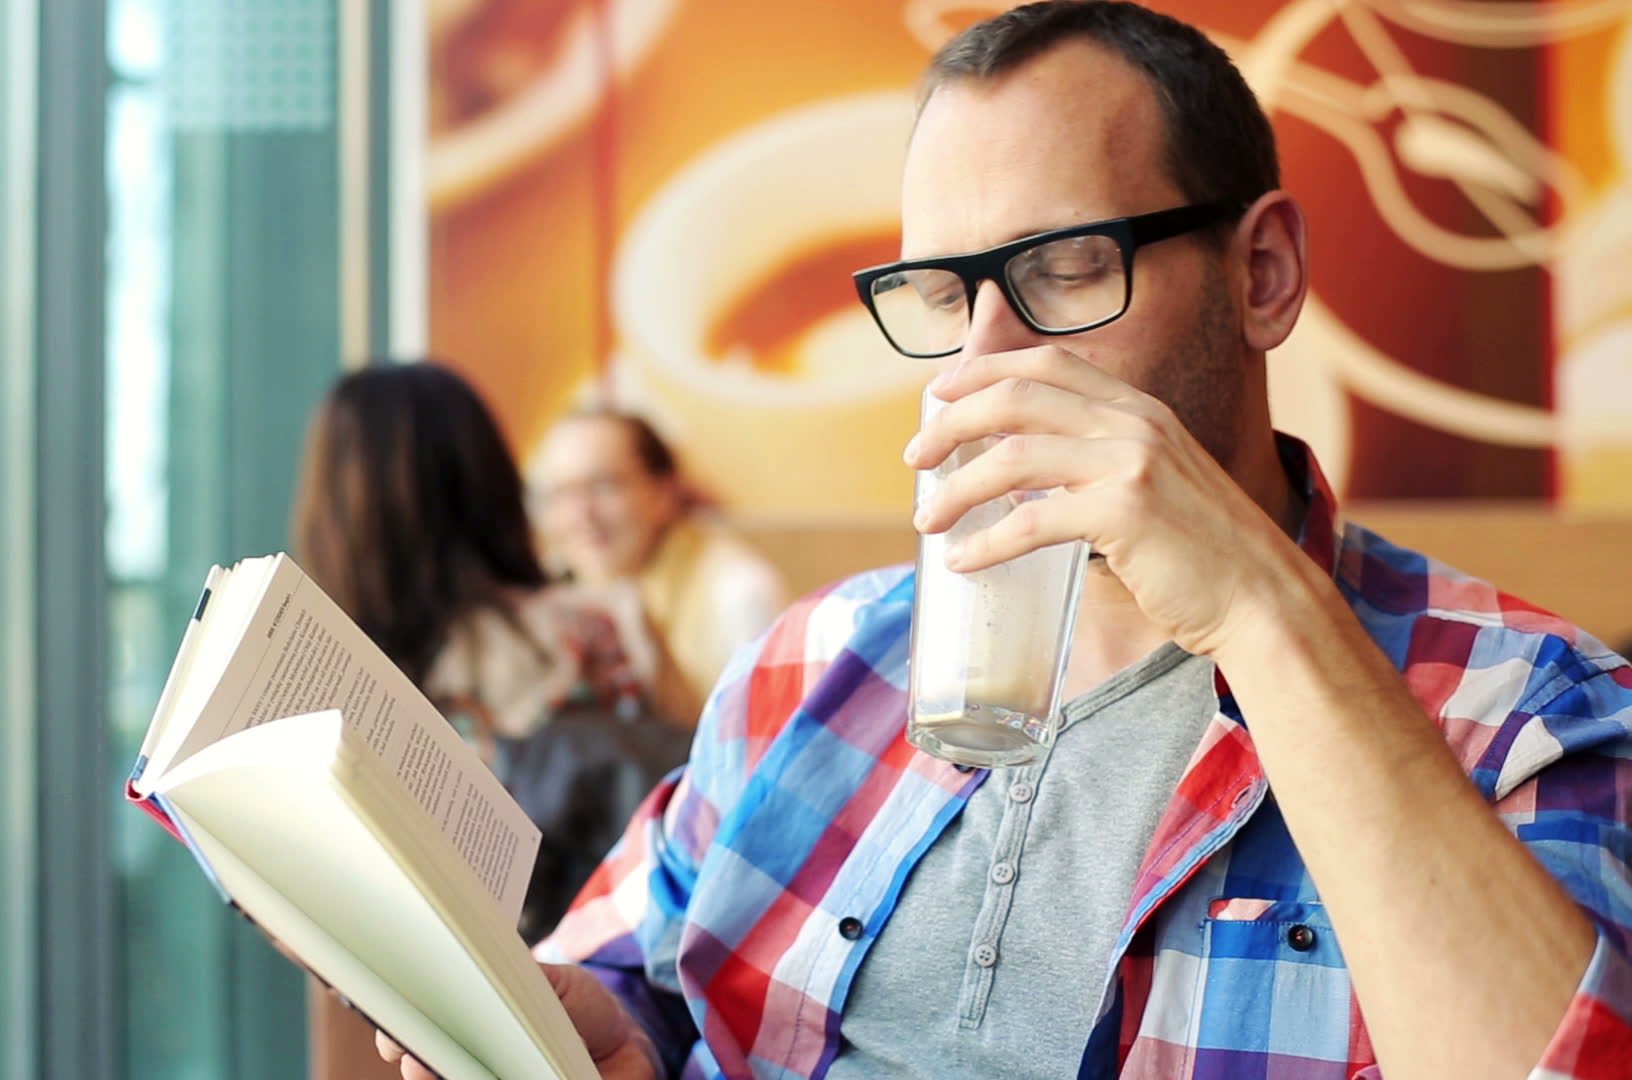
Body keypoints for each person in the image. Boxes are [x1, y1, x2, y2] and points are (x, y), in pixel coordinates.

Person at [376, 4, 1632, 1078]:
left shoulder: (1522, 707)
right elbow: (638, 970)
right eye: (940, 293)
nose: (983, 360)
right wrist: (599, 1022)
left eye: (1067, 267)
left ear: (1261, 275)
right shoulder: (808, 664)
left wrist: (1257, 605)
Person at [291, 362, 693, 1077]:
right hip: (585, 1007)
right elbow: (688, 801)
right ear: (490, 484)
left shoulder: (319, 680)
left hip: (397, 1029)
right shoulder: (591, 629)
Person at [528, 410, 788, 725]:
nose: (581, 515)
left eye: (604, 486)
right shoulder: (553, 594)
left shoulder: (738, 591)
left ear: (665, 492)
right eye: (560, 494)